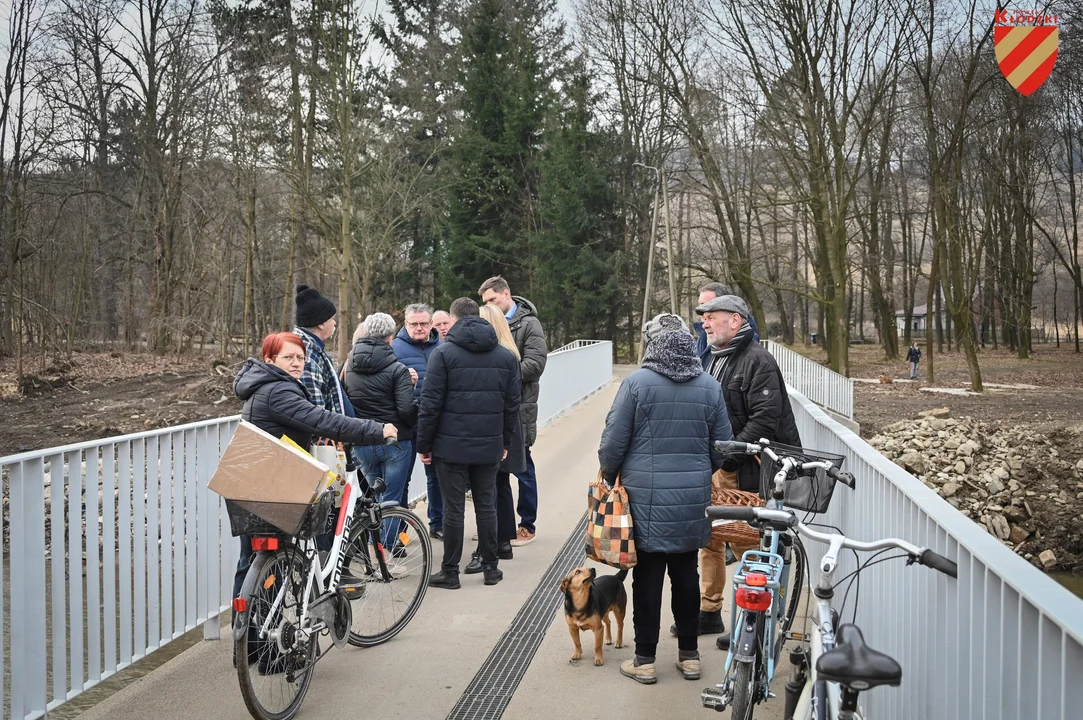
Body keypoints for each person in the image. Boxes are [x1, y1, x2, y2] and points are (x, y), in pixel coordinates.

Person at [597, 321, 732, 685]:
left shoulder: (637, 384)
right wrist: (700, 470)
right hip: (691, 497)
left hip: (644, 497)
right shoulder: (709, 386)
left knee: (647, 577)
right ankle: (689, 656)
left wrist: (610, 477)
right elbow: (723, 446)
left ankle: (644, 660)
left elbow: (613, 442)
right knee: (687, 574)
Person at [232, 332, 397, 599]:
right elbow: (323, 419)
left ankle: (251, 632)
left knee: (253, 561)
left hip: (255, 482)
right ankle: (259, 632)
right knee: (270, 563)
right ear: (269, 359)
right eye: (288, 357)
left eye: (301, 357)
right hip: (274, 488)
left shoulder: (262, 385)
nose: (297, 363)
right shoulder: (278, 390)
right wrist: (376, 430)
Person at [696, 294, 801, 649]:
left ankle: (749, 624)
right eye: (703, 318)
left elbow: (764, 420)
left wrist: (728, 456)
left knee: (744, 542)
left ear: (736, 321)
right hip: (718, 463)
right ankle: (709, 611)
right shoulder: (714, 357)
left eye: (712, 317)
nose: (705, 323)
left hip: (743, 468)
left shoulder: (757, 360)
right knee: (709, 537)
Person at [417, 298, 522, 589]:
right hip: (489, 445)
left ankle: (450, 571)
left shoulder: (443, 354)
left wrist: (423, 445)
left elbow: (430, 404)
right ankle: (491, 568)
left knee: (454, 509)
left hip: (449, 448)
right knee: (486, 505)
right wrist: (505, 441)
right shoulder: (505, 357)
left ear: (454, 319)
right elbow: (512, 405)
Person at [478, 276, 547, 546]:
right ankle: (496, 522)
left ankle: (527, 524)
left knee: (523, 467)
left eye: (492, 300)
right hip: (496, 408)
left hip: (520, 408)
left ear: (506, 294)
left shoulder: (530, 324)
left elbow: (536, 364)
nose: (489, 306)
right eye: (485, 303)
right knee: (496, 470)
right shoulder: (488, 323)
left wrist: (500, 373)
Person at [463, 304, 526, 574]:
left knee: (486, 492)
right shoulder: (510, 353)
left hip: (495, 428)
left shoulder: (495, 356)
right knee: (500, 486)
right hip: (508, 427)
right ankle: (503, 542)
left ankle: (486, 549)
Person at [343, 313, 418, 535]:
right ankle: (384, 555)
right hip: (395, 442)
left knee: (372, 499)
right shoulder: (398, 369)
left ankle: (370, 548)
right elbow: (406, 409)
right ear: (390, 338)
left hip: (362, 440)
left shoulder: (348, 367)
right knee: (391, 501)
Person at [392, 303, 443, 537]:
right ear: (406, 324)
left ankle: (438, 523)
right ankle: (399, 529)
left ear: (431, 324)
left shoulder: (442, 347)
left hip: (436, 422)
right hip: (405, 422)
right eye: (414, 324)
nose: (419, 328)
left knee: (436, 476)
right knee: (402, 478)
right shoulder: (394, 348)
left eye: (424, 323)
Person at [693, 282, 759, 368]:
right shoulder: (704, 336)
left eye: (705, 304)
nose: (701, 308)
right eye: (700, 304)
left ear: (725, 303)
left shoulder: (749, 345)